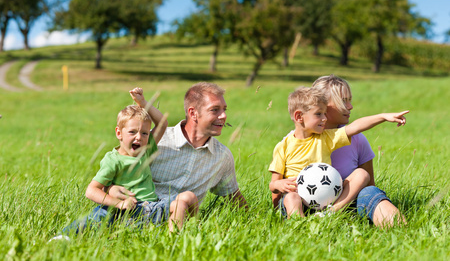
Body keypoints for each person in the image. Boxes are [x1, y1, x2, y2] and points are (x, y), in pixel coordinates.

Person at [58, 88, 198, 237]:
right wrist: (118, 204)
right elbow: (91, 190)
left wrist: (143, 102)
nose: (139, 137)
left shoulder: (145, 149)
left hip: (151, 207)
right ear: (119, 133)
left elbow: (162, 123)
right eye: (132, 132)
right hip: (123, 210)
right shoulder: (113, 160)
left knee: (188, 197)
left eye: (144, 133)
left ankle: (178, 239)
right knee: (97, 217)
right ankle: (64, 237)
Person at [269, 86, 408, 219]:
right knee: (291, 198)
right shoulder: (283, 146)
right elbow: (273, 184)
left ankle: (331, 213)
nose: (324, 118)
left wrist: (383, 117)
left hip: (328, 200)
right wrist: (279, 185)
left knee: (361, 174)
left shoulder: (325, 138)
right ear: (299, 116)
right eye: (318, 114)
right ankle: (300, 226)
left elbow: (355, 127)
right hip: (298, 200)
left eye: (324, 113)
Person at [109, 82, 247, 210]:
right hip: (138, 212)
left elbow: (233, 197)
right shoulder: (155, 140)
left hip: (183, 220)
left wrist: (257, 218)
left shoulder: (222, 156)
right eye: (214, 110)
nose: (223, 116)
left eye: (224, 110)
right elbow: (114, 172)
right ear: (193, 113)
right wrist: (111, 189)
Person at [312, 74, 407, 227]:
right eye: (343, 101)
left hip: (348, 207)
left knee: (370, 193)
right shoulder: (297, 140)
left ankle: (404, 233)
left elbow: (369, 186)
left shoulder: (357, 139)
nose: (350, 107)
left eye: (350, 100)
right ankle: (303, 225)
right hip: (309, 206)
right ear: (322, 105)